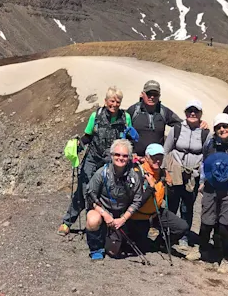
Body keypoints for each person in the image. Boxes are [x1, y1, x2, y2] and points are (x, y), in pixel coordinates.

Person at [58, 87, 133, 236]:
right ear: (105, 102)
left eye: (118, 101)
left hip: (112, 161)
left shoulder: (126, 117)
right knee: (84, 189)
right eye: (112, 100)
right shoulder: (96, 116)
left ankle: (101, 225)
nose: (115, 104)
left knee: (109, 191)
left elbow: (128, 139)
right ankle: (68, 222)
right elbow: (88, 136)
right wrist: (78, 145)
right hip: (93, 157)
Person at [184, 113, 228, 273]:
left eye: (225, 126)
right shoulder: (210, 144)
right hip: (211, 188)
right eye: (219, 127)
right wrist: (201, 182)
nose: (222, 129)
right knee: (206, 222)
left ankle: (226, 258)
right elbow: (205, 163)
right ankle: (202, 249)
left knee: (224, 226)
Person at [162, 100, 210, 248]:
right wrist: (165, 172)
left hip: (193, 175)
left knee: (188, 206)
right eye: (190, 111)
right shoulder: (176, 129)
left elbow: (207, 156)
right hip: (175, 172)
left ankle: (184, 236)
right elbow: (166, 150)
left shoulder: (205, 133)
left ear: (201, 114)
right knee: (172, 203)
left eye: (196, 111)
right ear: (185, 113)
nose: (193, 113)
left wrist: (202, 177)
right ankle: (168, 234)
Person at [84, 139, 140, 260]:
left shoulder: (134, 176)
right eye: (117, 154)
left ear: (129, 157)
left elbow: (137, 200)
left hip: (121, 215)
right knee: (93, 220)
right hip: (102, 211)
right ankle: (96, 249)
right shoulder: (101, 173)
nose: (121, 158)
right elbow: (89, 196)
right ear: (112, 155)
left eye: (125, 156)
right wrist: (104, 214)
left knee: (115, 251)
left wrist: (123, 219)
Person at [130, 144, 189, 250]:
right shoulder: (137, 173)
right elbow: (136, 202)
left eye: (160, 157)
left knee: (182, 227)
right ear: (147, 157)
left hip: (155, 213)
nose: (158, 160)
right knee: (140, 248)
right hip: (138, 216)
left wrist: (170, 186)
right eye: (154, 157)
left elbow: (169, 198)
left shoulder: (162, 173)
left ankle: (161, 243)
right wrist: (150, 188)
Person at [126, 80, 182, 157]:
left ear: (159, 96)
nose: (152, 97)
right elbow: (122, 129)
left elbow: (181, 124)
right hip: (136, 158)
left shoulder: (164, 111)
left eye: (155, 94)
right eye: (149, 94)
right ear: (142, 94)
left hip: (156, 160)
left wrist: (200, 123)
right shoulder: (133, 110)